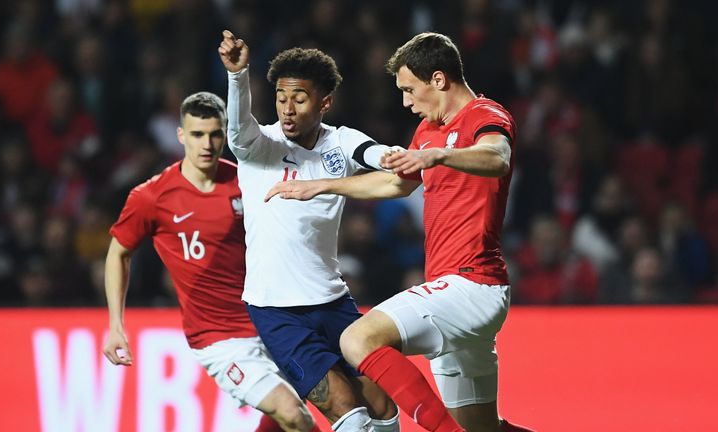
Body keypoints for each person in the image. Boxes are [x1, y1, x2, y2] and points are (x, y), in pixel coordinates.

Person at [266, 32, 533, 432]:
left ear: (438, 80)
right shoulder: (428, 129)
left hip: (472, 285)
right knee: (484, 428)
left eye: (410, 90)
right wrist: (321, 185)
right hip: (452, 290)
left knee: (358, 340)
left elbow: (497, 158)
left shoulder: (483, 115)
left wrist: (439, 154)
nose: (406, 102)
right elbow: (395, 185)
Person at [218, 30, 410, 432]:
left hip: (332, 300)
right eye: (281, 98)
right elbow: (237, 130)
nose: (287, 109)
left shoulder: (340, 144)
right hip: (276, 309)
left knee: (382, 403)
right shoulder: (259, 146)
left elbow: (375, 155)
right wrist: (237, 76)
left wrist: (394, 157)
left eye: (299, 99)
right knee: (345, 407)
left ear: (324, 102)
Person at [102, 92, 320, 432]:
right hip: (220, 338)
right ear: (181, 135)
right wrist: (116, 325)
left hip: (274, 321)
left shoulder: (245, 181)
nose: (207, 143)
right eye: (197, 134)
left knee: (288, 417)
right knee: (293, 414)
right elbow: (119, 252)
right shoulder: (152, 197)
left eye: (215, 134)